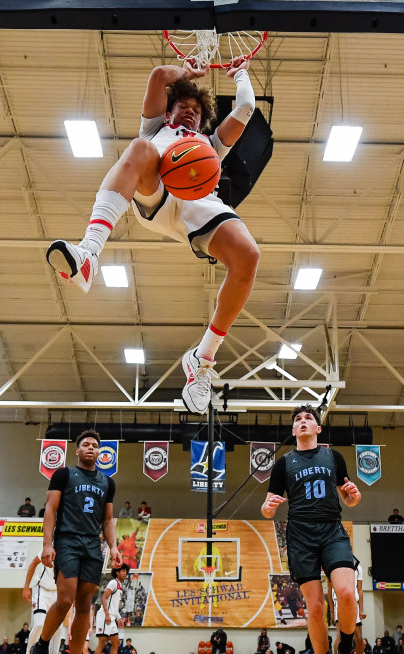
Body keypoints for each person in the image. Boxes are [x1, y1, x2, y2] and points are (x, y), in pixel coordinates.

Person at [44, 55, 259, 415]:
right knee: (140, 148)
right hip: (156, 192)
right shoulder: (154, 130)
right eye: (183, 105)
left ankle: (202, 359)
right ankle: (88, 257)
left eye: (195, 109)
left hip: (199, 206)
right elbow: (159, 76)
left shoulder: (209, 144)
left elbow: (247, 107)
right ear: (169, 110)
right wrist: (185, 74)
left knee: (249, 256)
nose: (189, 112)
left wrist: (240, 76)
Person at [261, 403, 366, 654]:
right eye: (298, 419)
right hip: (300, 536)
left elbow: (349, 499)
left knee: (346, 593)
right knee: (316, 608)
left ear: (318, 429)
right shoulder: (283, 463)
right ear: (294, 430)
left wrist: (354, 497)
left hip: (332, 529)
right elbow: (268, 507)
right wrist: (267, 507)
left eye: (309, 418)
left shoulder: (334, 457)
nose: (303, 421)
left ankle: (346, 649)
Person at [28, 430, 123, 654]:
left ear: (100, 452)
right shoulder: (64, 474)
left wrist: (113, 547)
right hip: (68, 540)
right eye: (86, 445)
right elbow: (51, 508)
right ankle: (42, 646)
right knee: (66, 599)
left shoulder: (107, 482)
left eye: (95, 445)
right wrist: (48, 544)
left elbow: (107, 519)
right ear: (78, 451)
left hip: (93, 545)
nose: (91, 448)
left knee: (84, 606)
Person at [22, 550, 62, 654]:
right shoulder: (49, 550)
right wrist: (26, 587)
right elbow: (33, 564)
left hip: (57, 593)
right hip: (42, 590)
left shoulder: (71, 553)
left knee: (59, 629)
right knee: (39, 624)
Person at [90, 565, 129, 654]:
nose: (125, 573)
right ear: (117, 572)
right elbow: (104, 599)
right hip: (104, 616)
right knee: (102, 642)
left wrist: (119, 618)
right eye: (123, 571)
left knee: (116, 642)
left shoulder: (120, 586)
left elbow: (115, 606)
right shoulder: (113, 583)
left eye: (126, 571)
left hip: (112, 617)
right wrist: (107, 614)